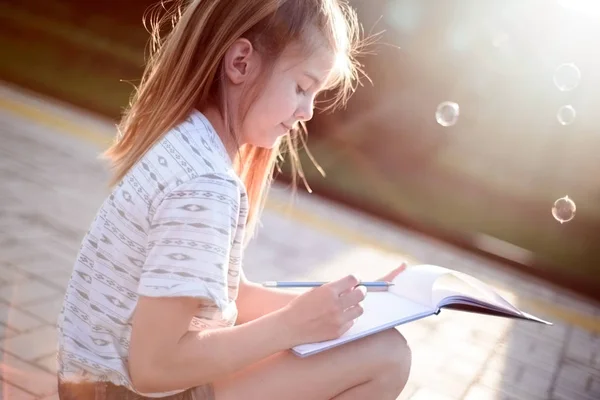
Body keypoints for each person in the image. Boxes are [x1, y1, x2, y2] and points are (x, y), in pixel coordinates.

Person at [56, 0, 412, 399]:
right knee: (385, 356)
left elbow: (234, 298)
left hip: (97, 387)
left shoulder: (189, 145)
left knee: (373, 344)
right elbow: (153, 369)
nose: (308, 112)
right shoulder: (205, 182)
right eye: (302, 87)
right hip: (119, 392)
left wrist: (346, 305)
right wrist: (292, 325)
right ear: (241, 62)